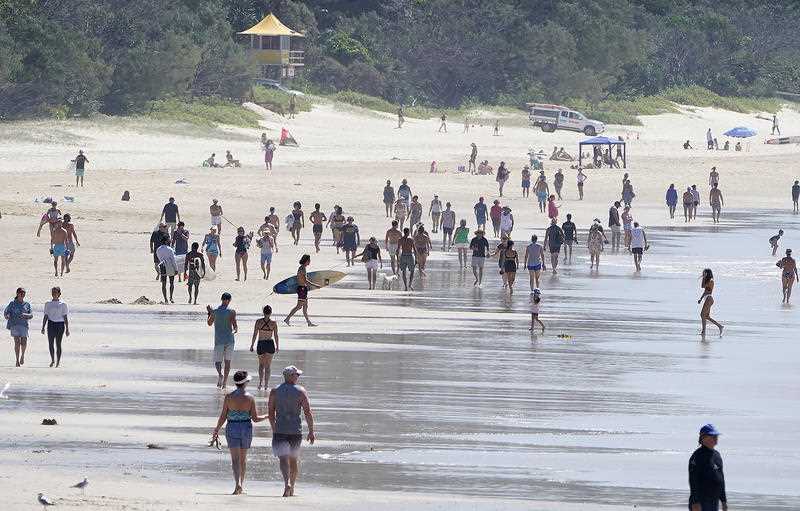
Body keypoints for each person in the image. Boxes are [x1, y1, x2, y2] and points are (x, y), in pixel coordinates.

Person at [212, 370, 267, 495]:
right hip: (246, 428)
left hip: (232, 427)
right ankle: (241, 484)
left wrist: (216, 429)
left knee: (235, 460)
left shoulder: (229, 397)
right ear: (245, 382)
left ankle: (238, 484)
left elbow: (223, 416)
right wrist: (268, 416)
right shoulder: (250, 398)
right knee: (243, 459)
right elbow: (255, 419)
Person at [268, 365, 315, 498]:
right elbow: (308, 412)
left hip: (280, 429)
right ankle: (292, 487)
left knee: (283, 459)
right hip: (295, 430)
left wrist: (274, 428)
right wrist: (311, 431)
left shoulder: (275, 391)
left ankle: (287, 483)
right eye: (296, 375)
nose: (298, 377)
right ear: (290, 376)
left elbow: (271, 412)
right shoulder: (301, 391)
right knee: (293, 460)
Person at [688, 424, 727, 511]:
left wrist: (724, 501)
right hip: (700, 502)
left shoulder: (717, 455)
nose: (715, 438)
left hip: (714, 501)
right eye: (713, 436)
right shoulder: (697, 456)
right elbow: (693, 481)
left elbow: (721, 479)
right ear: (703, 438)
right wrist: (695, 502)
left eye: (716, 436)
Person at [208, 293, 237, 388]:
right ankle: (224, 383)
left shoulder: (215, 311)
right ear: (229, 300)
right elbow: (235, 327)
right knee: (227, 362)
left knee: (218, 362)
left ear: (221, 299)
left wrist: (209, 313)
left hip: (219, 340)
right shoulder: (231, 312)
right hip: (229, 339)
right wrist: (233, 331)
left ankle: (220, 374)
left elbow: (209, 323)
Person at [284, 255, 319, 326]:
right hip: (302, 289)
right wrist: (315, 285)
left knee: (305, 307)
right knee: (299, 306)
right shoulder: (302, 269)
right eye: (309, 260)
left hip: (303, 289)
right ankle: (287, 318)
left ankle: (309, 322)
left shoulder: (302, 268)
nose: (310, 262)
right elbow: (305, 280)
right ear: (306, 261)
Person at [250, 306, 280, 390]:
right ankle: (266, 385)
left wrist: (252, 345)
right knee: (268, 366)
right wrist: (277, 346)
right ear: (270, 313)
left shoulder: (258, 322)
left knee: (261, 364)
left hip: (261, 343)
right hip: (270, 344)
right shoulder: (273, 323)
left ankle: (260, 383)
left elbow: (255, 334)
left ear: (263, 312)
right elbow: (276, 335)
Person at [41, 286, 69, 368]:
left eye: (56, 292)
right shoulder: (48, 304)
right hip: (51, 324)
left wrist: (67, 328)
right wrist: (43, 327)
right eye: (53, 292)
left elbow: (65, 317)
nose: (54, 294)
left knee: (58, 343)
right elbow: (46, 315)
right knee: (50, 343)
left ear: (59, 294)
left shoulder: (63, 304)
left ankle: (58, 361)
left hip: (60, 324)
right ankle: (53, 359)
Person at [5, 287, 33, 367]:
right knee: (17, 342)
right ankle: (17, 360)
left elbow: (31, 315)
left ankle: (22, 355)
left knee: (24, 342)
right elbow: (6, 312)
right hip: (14, 325)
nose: (23, 294)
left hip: (24, 325)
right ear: (17, 293)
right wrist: (7, 315)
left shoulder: (27, 304)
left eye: (24, 293)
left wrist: (25, 315)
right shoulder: (12, 303)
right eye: (21, 293)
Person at [698, 269, 723, 337]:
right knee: (706, 316)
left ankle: (703, 331)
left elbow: (703, 286)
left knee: (702, 315)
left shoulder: (711, 281)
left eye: (705, 273)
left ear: (708, 273)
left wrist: (703, 277)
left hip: (709, 299)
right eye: (703, 273)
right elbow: (705, 291)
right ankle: (720, 326)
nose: (703, 274)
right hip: (707, 299)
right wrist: (700, 298)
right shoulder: (707, 281)